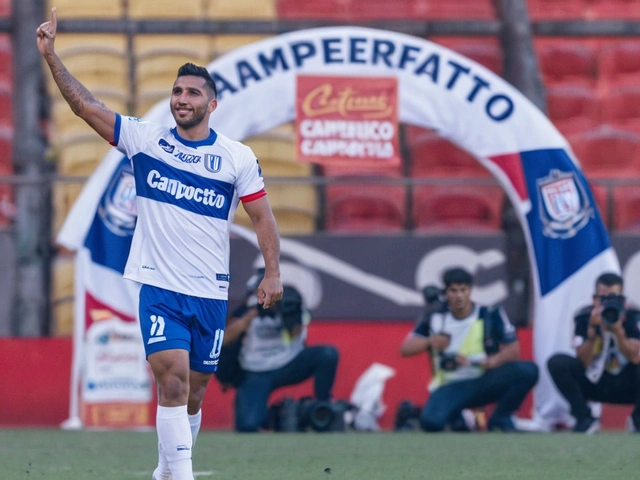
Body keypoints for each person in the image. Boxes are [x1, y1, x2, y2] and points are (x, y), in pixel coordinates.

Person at [38, 9, 283, 480]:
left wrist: (273, 271)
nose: (182, 99)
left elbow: (262, 217)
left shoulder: (237, 158)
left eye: (192, 93)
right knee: (171, 378)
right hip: (158, 286)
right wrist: (52, 57)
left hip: (209, 291)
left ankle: (168, 469)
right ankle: (182, 476)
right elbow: (86, 107)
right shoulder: (145, 141)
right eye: (176, 91)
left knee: (194, 390)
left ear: (212, 104)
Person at [400, 267, 538, 432]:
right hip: (450, 385)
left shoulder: (489, 314)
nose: (458, 296)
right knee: (431, 423)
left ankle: (501, 416)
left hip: (483, 379)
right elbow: (405, 349)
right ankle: (457, 415)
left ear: (470, 290)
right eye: (453, 291)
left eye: (463, 290)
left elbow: (514, 350)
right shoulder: (435, 317)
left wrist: (492, 361)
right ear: (446, 292)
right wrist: (430, 342)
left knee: (528, 370)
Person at [222, 269, 339, 432]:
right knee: (247, 425)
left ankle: (322, 408)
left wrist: (287, 315)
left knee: (327, 354)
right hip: (256, 370)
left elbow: (298, 333)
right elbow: (225, 339)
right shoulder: (246, 310)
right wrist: (251, 316)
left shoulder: (291, 306)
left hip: (288, 362)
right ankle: (271, 417)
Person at [548, 272, 640, 434]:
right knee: (557, 362)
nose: (608, 305)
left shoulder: (634, 318)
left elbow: (635, 357)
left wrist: (618, 331)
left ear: (623, 301)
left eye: (615, 299)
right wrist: (592, 331)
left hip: (626, 383)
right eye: (603, 299)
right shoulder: (583, 317)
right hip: (595, 381)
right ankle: (584, 418)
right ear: (594, 299)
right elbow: (584, 361)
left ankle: (637, 420)